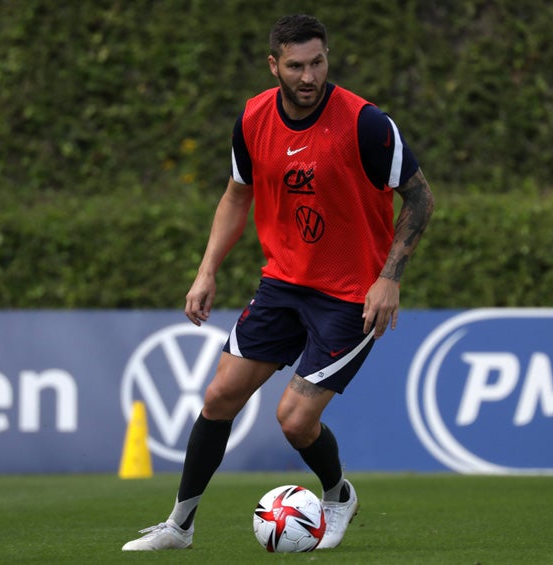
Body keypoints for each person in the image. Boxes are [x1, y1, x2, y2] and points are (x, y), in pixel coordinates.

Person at [123, 14, 434, 551]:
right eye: (296, 65)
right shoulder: (252, 119)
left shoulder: (366, 123)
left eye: (318, 62)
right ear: (274, 66)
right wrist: (206, 270)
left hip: (350, 294)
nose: (309, 75)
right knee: (219, 396)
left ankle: (338, 495)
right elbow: (236, 194)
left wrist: (388, 278)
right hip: (283, 285)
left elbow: (421, 198)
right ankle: (179, 525)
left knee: (292, 420)